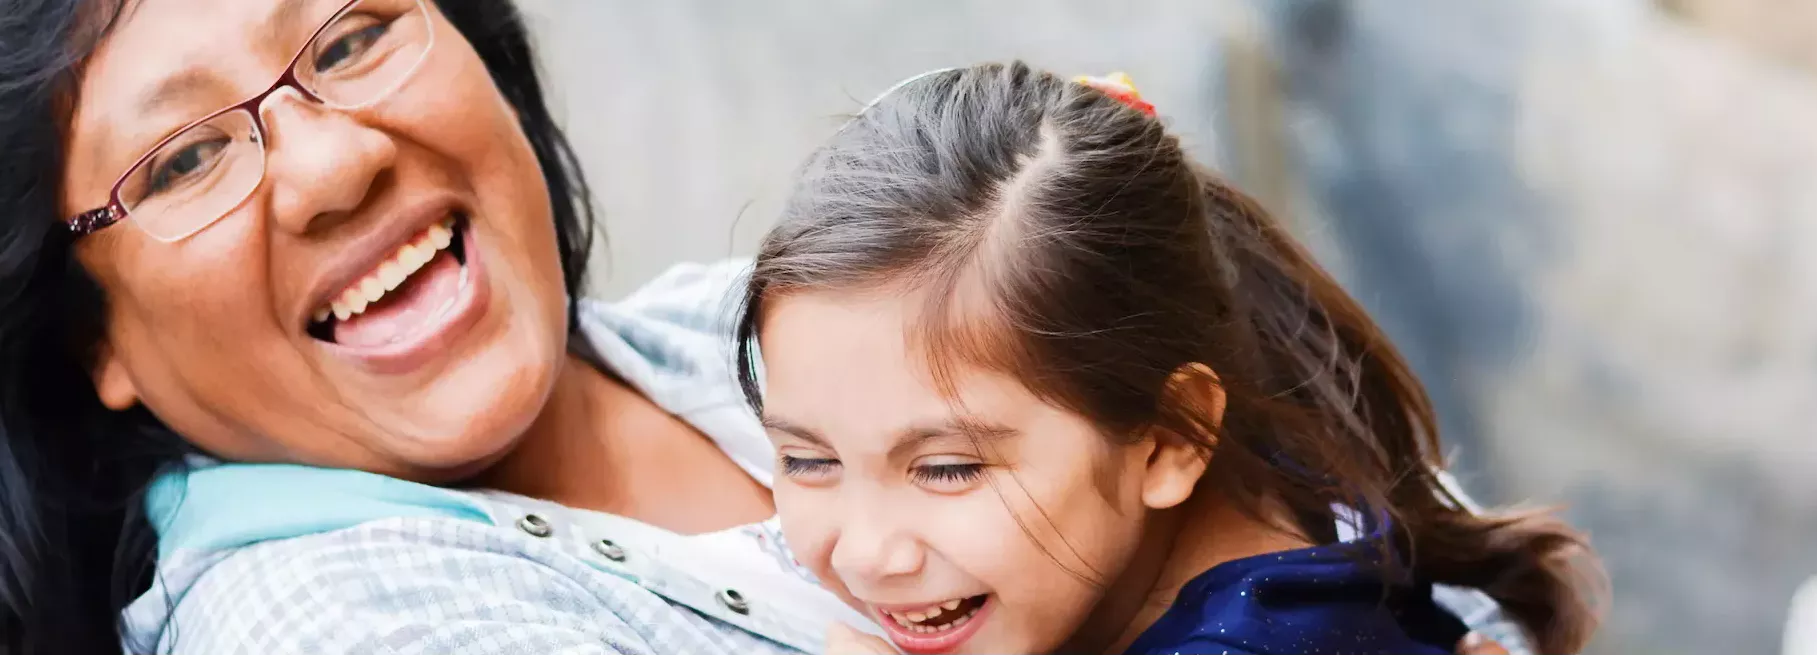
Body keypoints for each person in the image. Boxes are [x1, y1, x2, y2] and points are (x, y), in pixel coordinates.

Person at [0, 0, 1539, 652]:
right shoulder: (337, 622)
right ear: (89, 336)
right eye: (184, 157)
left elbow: (1417, 542)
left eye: (351, 35)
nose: (333, 160)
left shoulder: (737, 325)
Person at [736, 63, 1605, 655]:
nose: (864, 551)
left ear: (1170, 439)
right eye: (807, 458)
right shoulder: (1264, 450)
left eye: (949, 468)